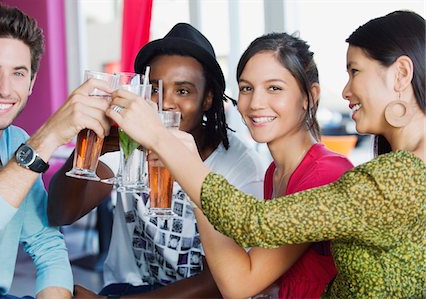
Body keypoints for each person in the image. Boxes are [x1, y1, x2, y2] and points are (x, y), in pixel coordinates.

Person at [107, 10, 425, 298]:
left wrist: (167, 144)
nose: (344, 91)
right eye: (246, 88)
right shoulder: (278, 171)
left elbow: (250, 235)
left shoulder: (387, 177)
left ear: (400, 74)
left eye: (354, 71)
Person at [48, 23, 264, 298]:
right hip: (127, 288)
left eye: (183, 91)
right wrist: (93, 151)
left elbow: (218, 284)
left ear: (208, 98)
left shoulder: (240, 165)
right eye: (154, 89)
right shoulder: (131, 144)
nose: (165, 103)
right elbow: (60, 214)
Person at [192, 33, 354, 298]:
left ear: (310, 97)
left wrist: (191, 176)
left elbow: (240, 284)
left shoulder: (326, 174)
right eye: (246, 88)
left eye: (274, 88)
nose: (255, 103)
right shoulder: (275, 173)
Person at [0, 5, 115, 298]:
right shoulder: (30, 145)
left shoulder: (15, 142)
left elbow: (47, 247)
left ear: (31, 83)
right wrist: (47, 137)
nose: (4, 88)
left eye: (18, 73)